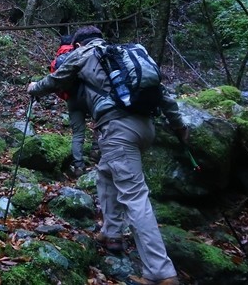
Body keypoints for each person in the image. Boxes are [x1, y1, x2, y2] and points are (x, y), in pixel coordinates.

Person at [28, 25, 189, 285]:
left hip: (117, 129)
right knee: (105, 172)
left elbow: (56, 79)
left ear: (78, 44)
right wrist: (180, 127)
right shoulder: (121, 55)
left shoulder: (83, 54)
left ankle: (160, 272)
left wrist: (34, 87)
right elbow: (163, 93)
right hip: (144, 127)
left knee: (135, 197)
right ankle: (111, 232)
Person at [50, 35, 88, 178]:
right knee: (101, 124)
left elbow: (55, 84)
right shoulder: (80, 53)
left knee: (78, 133)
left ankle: (78, 166)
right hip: (88, 96)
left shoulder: (57, 60)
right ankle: (97, 152)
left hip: (72, 99)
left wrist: (66, 96)